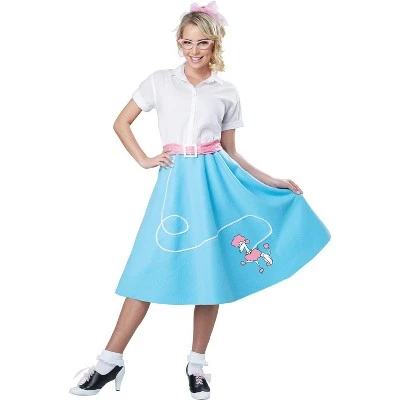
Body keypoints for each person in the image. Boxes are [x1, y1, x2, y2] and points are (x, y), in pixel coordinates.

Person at [69, 1, 331, 399]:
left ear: (215, 44)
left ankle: (196, 365)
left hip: (215, 185)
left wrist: (271, 180)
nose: (193, 50)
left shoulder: (226, 91)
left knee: (210, 272)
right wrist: (144, 159)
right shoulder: (160, 81)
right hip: (175, 185)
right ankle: (109, 361)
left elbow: (231, 151)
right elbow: (121, 122)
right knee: (146, 268)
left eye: (202, 42)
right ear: (179, 42)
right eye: (187, 42)